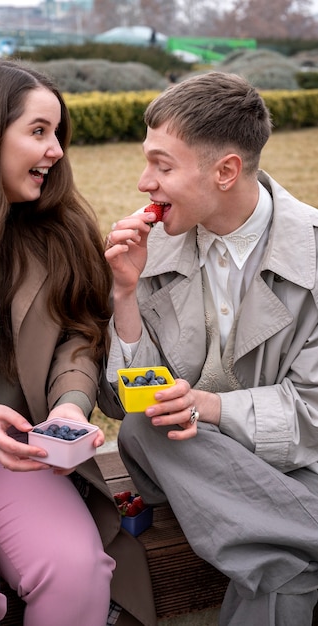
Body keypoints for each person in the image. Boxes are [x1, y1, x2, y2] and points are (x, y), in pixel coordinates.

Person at [0, 58, 156, 626]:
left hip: (19, 448)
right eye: (38, 132)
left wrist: (69, 402)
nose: (57, 151)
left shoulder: (59, 233)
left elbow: (79, 336)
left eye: (57, 135)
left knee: (78, 570)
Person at [99, 70, 318, 626]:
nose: (144, 182)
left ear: (225, 171)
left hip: (299, 466)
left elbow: (313, 415)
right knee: (143, 428)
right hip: (193, 463)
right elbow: (129, 404)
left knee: (278, 569)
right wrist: (125, 295)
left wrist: (211, 406)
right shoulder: (150, 256)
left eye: (162, 165)